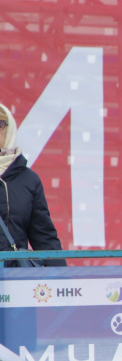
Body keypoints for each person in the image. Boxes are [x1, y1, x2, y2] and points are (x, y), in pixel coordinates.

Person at [0, 103, 66, 266]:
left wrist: (61, 281)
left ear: (9, 130)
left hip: (14, 280)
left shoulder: (28, 180)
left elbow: (44, 237)